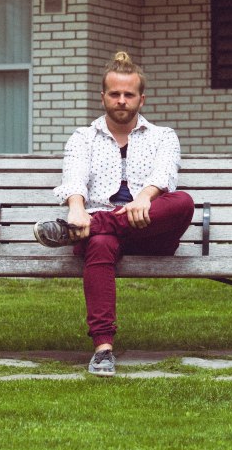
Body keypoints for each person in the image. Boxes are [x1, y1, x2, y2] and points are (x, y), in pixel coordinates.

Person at [33, 51, 194, 377]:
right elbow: (74, 178)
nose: (122, 100)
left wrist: (143, 199)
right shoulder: (83, 137)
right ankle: (103, 349)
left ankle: (80, 229)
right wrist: (76, 209)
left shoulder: (163, 136)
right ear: (103, 96)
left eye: (129, 94)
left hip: (149, 229)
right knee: (100, 242)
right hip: (97, 234)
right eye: (115, 93)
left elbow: (165, 175)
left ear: (141, 99)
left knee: (183, 202)